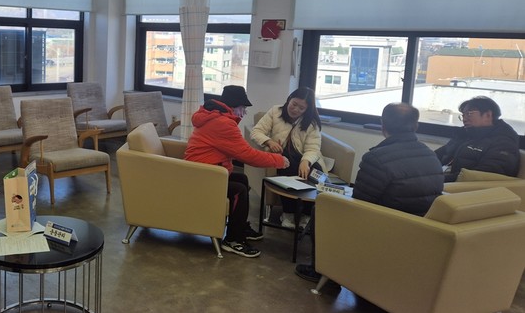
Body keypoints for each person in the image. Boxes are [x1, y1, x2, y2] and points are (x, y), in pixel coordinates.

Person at [295, 102, 444, 282]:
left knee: (322, 207)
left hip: (383, 227)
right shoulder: (430, 154)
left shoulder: (377, 158)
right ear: (415, 126)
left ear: (383, 125)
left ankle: (322, 270)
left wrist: (332, 198)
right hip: (421, 229)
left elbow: (360, 203)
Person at [185, 85, 290, 259]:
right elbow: (247, 155)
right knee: (238, 191)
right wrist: (278, 160)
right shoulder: (223, 123)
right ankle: (233, 240)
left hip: (203, 171)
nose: (245, 112)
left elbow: (238, 151)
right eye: (243, 108)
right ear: (234, 106)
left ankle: (239, 227)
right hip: (203, 175)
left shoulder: (215, 116)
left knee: (241, 179)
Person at [250, 87, 325, 229]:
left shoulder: (312, 122)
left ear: (307, 109)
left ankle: (307, 214)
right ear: (289, 99)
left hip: (303, 157)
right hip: (282, 154)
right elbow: (256, 132)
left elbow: (313, 148)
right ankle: (288, 213)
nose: (296, 109)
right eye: (294, 104)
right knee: (287, 171)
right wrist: (269, 142)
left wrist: (306, 161)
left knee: (317, 175)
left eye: (301, 108)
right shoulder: (276, 111)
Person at [435, 96, 520, 182]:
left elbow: (484, 175)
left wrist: (436, 180)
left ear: (488, 115)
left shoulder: (504, 142)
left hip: (462, 187)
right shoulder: (464, 135)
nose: (464, 119)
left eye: (469, 114)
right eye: (463, 115)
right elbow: (436, 155)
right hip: (443, 180)